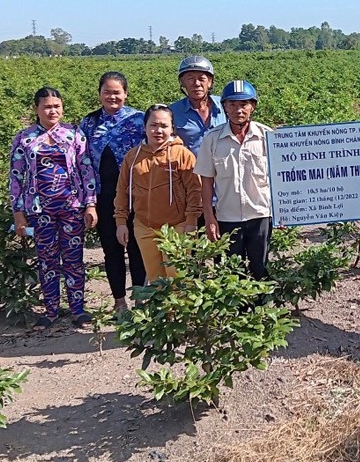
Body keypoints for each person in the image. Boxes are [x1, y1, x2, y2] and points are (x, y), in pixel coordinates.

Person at [10, 87, 98, 329]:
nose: (53, 111)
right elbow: (16, 177)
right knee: (47, 259)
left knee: (74, 259)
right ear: (36, 109)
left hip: (71, 206)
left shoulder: (74, 134)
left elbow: (86, 170)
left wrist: (90, 204)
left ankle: (78, 310)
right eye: (47, 106)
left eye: (56, 106)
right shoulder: (24, 138)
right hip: (39, 210)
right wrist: (18, 213)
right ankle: (50, 310)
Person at [79, 71, 146, 313]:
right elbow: (83, 163)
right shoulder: (89, 123)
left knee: (138, 249)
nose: (112, 96)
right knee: (111, 250)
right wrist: (88, 202)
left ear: (126, 94)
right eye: (107, 92)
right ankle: (119, 302)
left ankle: (140, 298)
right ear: (99, 94)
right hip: (103, 197)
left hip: (135, 195)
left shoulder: (139, 119)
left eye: (117, 92)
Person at [114, 105, 202, 283]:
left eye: (164, 126)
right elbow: (122, 191)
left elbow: (195, 190)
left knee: (177, 277)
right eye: (153, 125)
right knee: (155, 280)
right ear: (145, 127)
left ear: (172, 128)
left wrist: (191, 222)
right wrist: (121, 222)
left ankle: (180, 312)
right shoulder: (133, 156)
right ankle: (162, 312)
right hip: (144, 227)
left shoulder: (182, 155)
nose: (158, 130)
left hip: (177, 226)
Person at [195, 80, 273, 280]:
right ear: (224, 107)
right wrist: (210, 218)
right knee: (228, 272)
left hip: (260, 215)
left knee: (260, 269)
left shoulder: (267, 136)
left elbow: (279, 177)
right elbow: (206, 183)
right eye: (232, 104)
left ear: (253, 106)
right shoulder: (212, 139)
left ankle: (260, 309)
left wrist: (282, 212)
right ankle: (235, 312)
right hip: (226, 218)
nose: (238, 110)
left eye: (244, 104)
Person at [170, 55, 225, 157]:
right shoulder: (172, 112)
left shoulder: (225, 106)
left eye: (202, 79)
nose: (196, 83)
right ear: (182, 82)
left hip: (224, 170)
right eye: (190, 79)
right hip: (190, 171)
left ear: (210, 82)